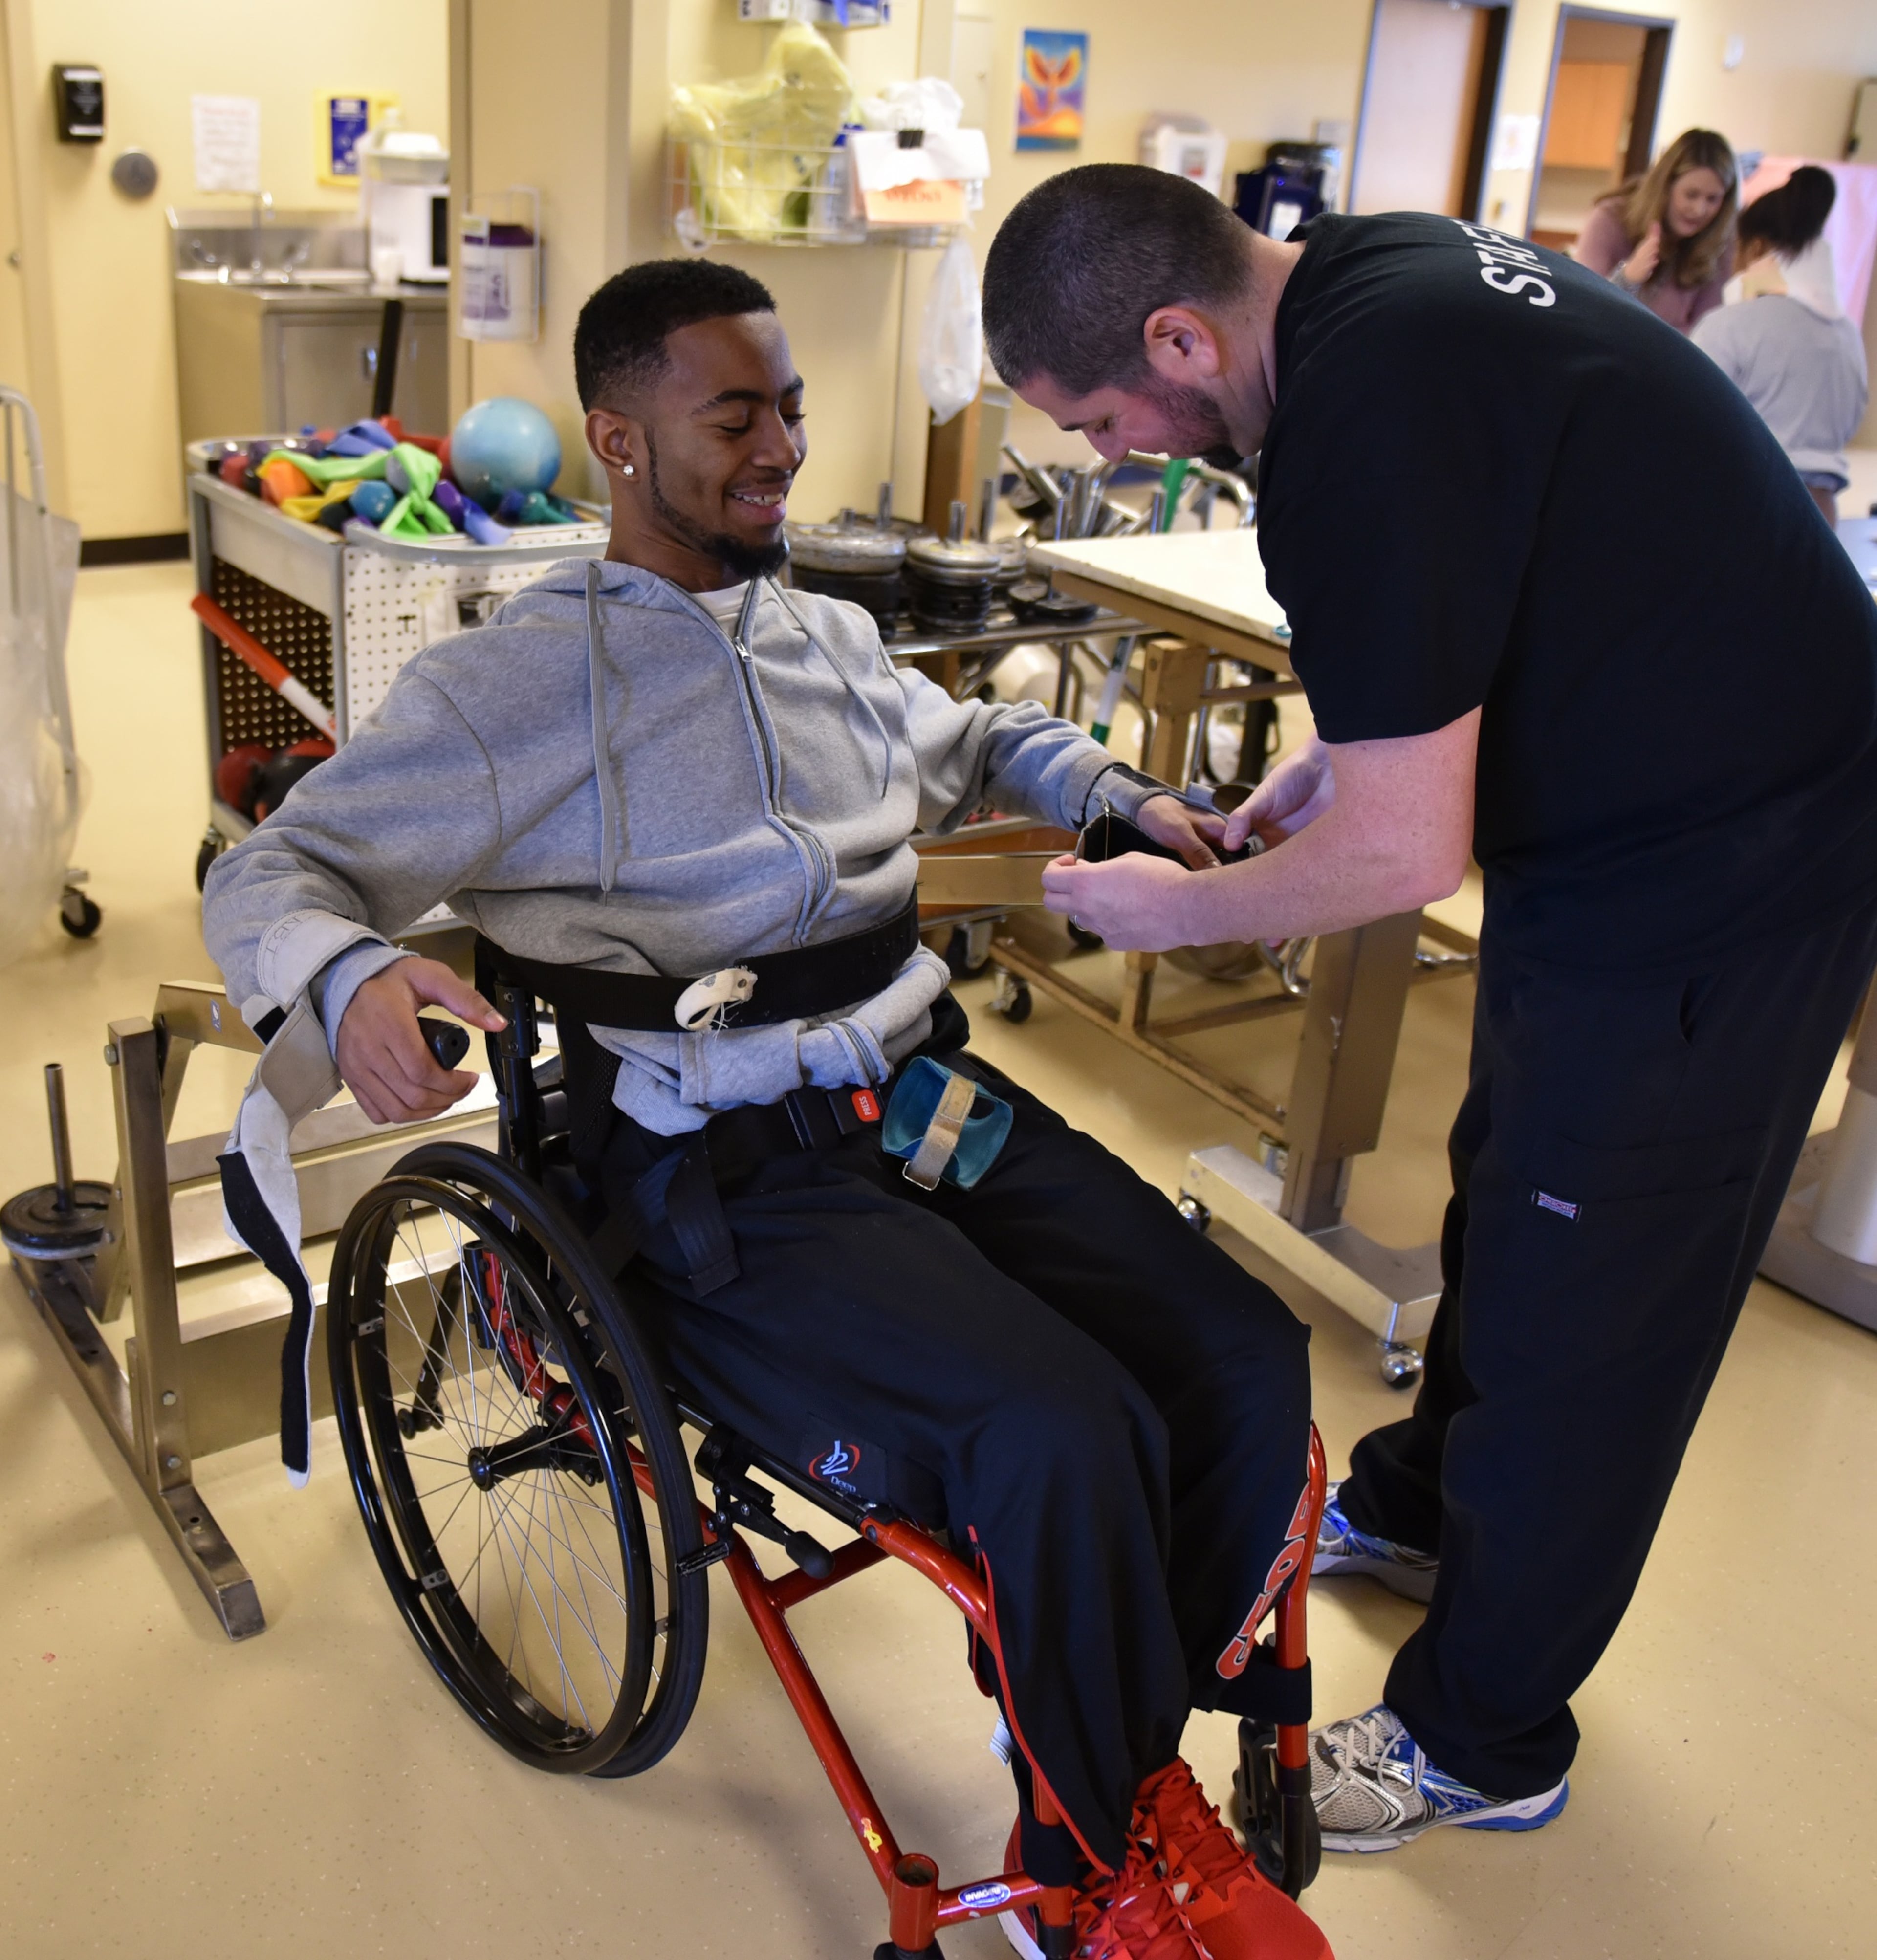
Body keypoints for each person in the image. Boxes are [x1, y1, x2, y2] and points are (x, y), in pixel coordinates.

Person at [201, 257, 1332, 1960]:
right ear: (617, 439)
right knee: (1054, 1426)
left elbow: (954, 740)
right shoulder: (520, 690)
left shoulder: (823, 631)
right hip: (708, 1167)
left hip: (918, 1098)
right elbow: (278, 863)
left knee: (1241, 1351)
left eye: (792, 405)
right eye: (738, 413)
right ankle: (1095, 1867)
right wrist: (348, 978)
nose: (786, 445)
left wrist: (1109, 787)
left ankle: (1130, 1737)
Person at [982, 165, 1877, 1855]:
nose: (1114, 456)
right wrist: (1356, 743)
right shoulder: (1367, 277)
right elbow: (1498, 580)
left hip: (1730, 872)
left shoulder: (1353, 430)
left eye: (1105, 417)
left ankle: (1488, 1735)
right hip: (1635, 815)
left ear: (1180, 335)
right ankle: (1415, 1508)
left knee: (1589, 1298)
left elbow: (1406, 855)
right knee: (1513, 1188)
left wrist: (1169, 909)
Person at [1692, 165, 1869, 523]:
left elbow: (1691, 417)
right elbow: (1853, 417)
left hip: (1747, 512)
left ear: (1755, 247)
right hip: (1823, 519)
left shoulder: (1731, 326)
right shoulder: (1848, 336)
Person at [1573, 127, 1737, 333]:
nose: (1700, 210)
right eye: (1691, 195)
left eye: (1712, 199)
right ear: (1666, 187)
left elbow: (1707, 332)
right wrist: (1627, 280)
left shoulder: (1720, 244)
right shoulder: (1609, 219)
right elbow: (1582, 310)